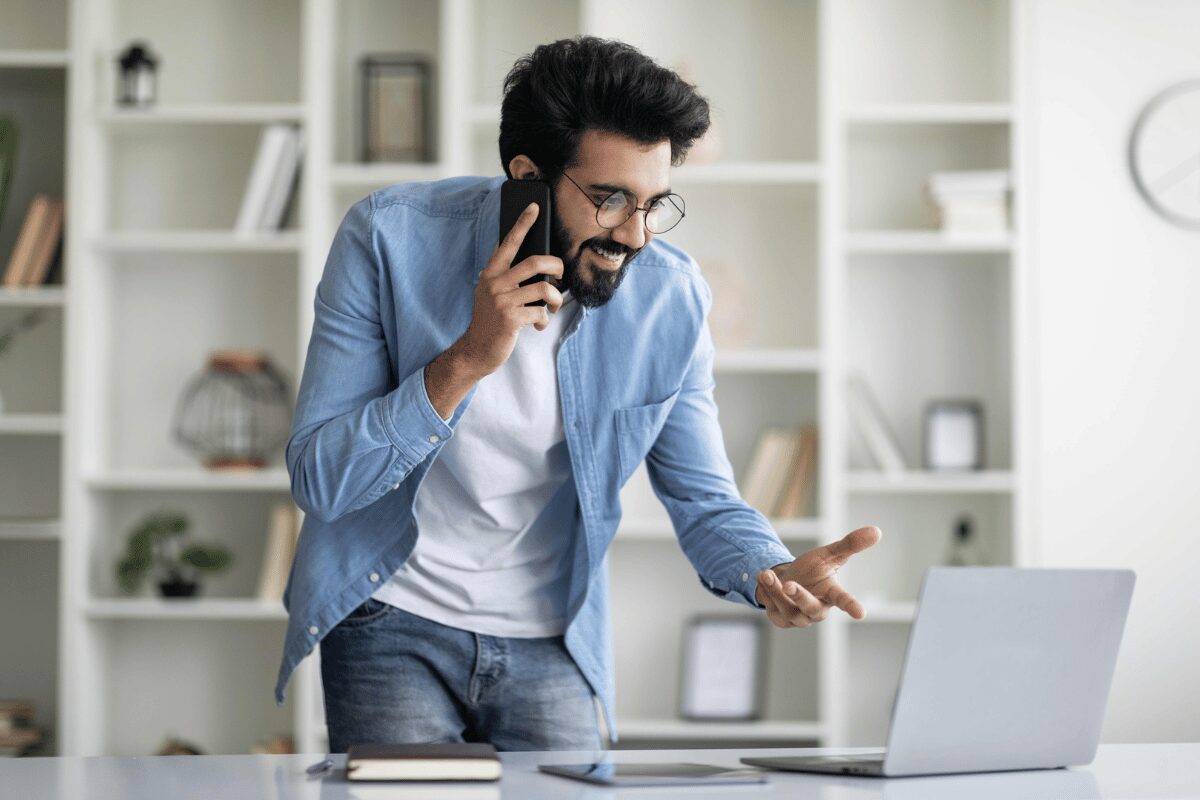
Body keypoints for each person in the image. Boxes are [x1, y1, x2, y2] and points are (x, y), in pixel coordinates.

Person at [274, 36, 881, 753]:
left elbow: (705, 497)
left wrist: (769, 570)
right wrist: (469, 357)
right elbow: (322, 480)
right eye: (612, 199)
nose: (636, 234)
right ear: (527, 177)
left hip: (553, 633)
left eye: (656, 203)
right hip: (390, 616)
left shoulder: (671, 300)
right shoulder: (387, 239)